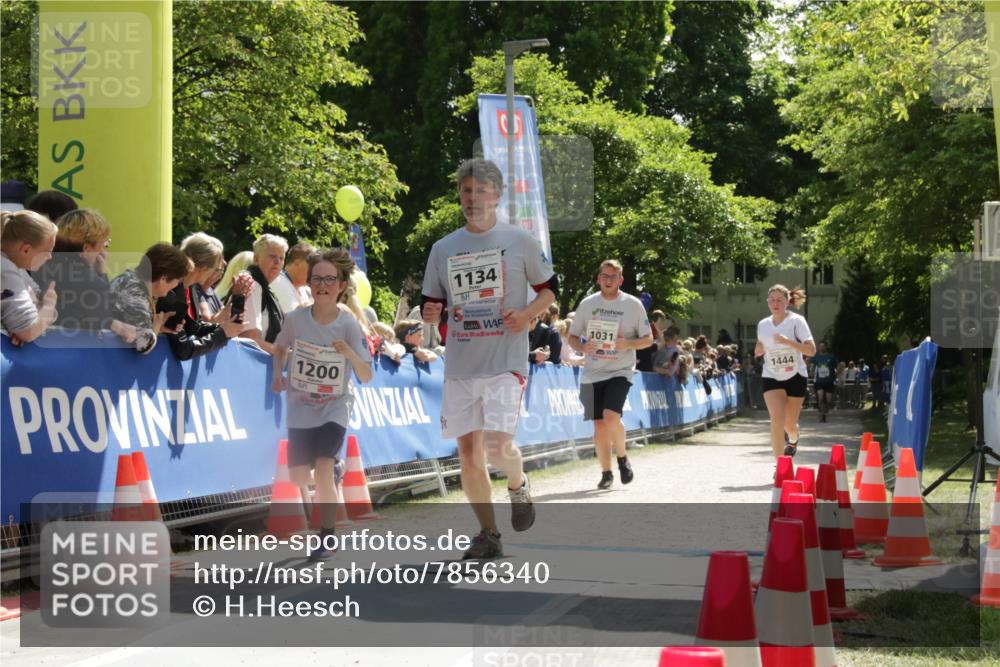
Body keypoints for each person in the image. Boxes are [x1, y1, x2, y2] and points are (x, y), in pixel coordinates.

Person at [420, 158, 556, 560]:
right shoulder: (443, 248)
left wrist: (528, 315)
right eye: (466, 191)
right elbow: (433, 303)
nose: (472, 198)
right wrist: (430, 313)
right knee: (468, 453)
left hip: (505, 361)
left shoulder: (520, 240)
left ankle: (518, 484)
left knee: (498, 449)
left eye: (481, 191)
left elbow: (549, 290)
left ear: (496, 196)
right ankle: (488, 533)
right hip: (461, 364)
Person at [271, 248, 373, 561]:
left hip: (335, 406)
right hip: (301, 408)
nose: (322, 285)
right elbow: (279, 348)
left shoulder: (349, 325)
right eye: (317, 279)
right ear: (309, 283)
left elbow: (366, 375)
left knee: (324, 468)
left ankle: (326, 537)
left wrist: (350, 354)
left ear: (342, 285)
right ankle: (335, 469)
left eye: (330, 279)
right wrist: (278, 375)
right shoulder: (295, 319)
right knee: (301, 477)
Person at [567, 259, 654, 489]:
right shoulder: (587, 304)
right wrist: (583, 347)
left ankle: (623, 458)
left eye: (612, 277)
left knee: (611, 416)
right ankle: (606, 473)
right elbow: (572, 337)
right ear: (598, 278)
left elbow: (649, 339)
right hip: (592, 372)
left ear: (620, 280)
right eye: (604, 276)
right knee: (599, 425)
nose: (607, 280)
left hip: (620, 370)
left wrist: (627, 344)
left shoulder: (633, 304)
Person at [755, 284, 816, 458]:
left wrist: (788, 342)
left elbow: (811, 351)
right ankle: (780, 465)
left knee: (789, 425)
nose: (775, 303)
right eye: (772, 300)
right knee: (776, 421)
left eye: (779, 300)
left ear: (787, 301)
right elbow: (760, 347)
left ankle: (794, 438)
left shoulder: (797, 321)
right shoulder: (763, 324)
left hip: (795, 375)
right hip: (771, 375)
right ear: (767, 302)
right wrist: (758, 349)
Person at [35, 208, 114, 334]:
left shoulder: (38, 263)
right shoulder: (91, 282)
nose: (104, 252)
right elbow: (107, 317)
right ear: (86, 248)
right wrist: (101, 273)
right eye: (104, 246)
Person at [108, 243, 190, 354]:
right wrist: (155, 327)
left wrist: (158, 326)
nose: (176, 286)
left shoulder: (129, 280)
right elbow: (144, 345)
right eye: (177, 281)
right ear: (163, 278)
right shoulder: (135, 291)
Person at [1, 210, 58, 345]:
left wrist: (15, 326)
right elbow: (29, 331)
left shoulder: (14, 264)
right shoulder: (5, 269)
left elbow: (37, 297)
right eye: (48, 251)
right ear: (26, 249)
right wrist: (49, 307)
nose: (50, 257)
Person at [239, 234, 288, 354]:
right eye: (272, 256)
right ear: (256, 259)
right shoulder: (252, 284)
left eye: (281, 258)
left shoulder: (265, 289)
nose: (277, 262)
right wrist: (284, 353)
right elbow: (248, 339)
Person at [271, 240, 315, 313]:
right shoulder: (278, 282)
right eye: (312, 265)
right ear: (297, 263)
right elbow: (292, 318)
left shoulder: (303, 289)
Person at [812, 341, 837, 422]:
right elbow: (809, 361)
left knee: (828, 400)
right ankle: (822, 414)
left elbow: (840, 364)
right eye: (820, 346)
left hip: (829, 381)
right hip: (819, 381)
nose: (821, 348)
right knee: (820, 398)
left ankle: (824, 411)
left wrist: (837, 373)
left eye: (823, 346)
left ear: (826, 347)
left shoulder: (831, 356)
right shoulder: (816, 356)